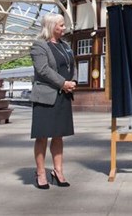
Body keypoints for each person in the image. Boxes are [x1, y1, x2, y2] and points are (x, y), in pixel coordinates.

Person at [30, 13, 76, 189]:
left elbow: (72, 65)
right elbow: (43, 70)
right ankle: (41, 173)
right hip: (46, 97)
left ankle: (58, 171)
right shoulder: (39, 46)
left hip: (63, 95)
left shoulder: (65, 46)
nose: (64, 28)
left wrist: (73, 82)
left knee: (58, 136)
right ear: (51, 26)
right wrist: (63, 83)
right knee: (42, 136)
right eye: (61, 25)